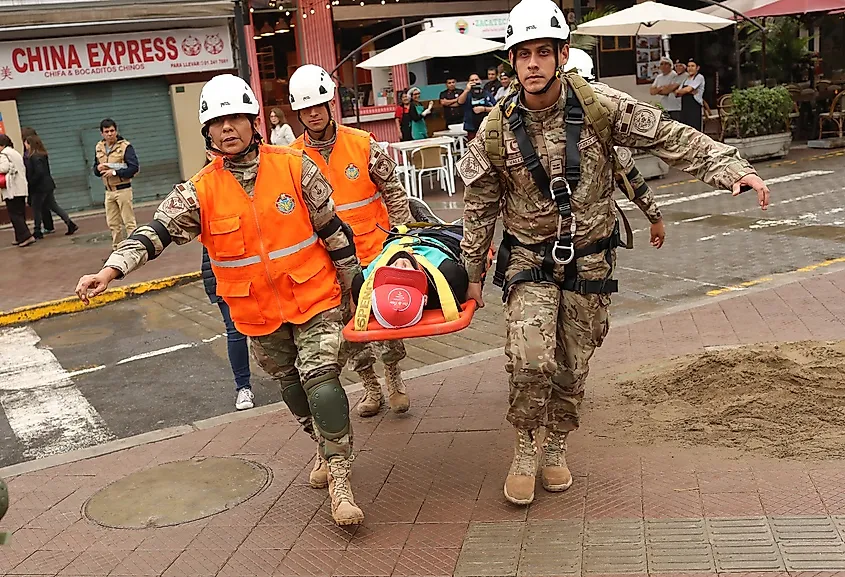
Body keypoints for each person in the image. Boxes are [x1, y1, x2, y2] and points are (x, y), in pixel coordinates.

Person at [458, 0, 770, 507]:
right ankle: (524, 445)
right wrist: (472, 270)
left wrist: (729, 168)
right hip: (528, 259)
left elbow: (668, 135)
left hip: (591, 258)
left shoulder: (600, 106)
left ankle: (557, 442)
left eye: (543, 52)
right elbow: (479, 203)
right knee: (531, 359)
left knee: (573, 365)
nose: (533, 63)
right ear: (511, 61)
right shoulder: (496, 128)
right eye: (523, 54)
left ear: (561, 55)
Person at [74, 74, 367, 527]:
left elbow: (334, 232)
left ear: (254, 122)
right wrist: (110, 270)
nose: (227, 128)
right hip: (258, 313)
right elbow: (155, 233)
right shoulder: (199, 190)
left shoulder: (293, 166)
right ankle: (322, 447)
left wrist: (354, 286)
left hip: (314, 299)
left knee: (322, 383)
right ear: (207, 132)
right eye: (217, 121)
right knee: (291, 390)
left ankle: (342, 480)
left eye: (235, 118)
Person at [288, 63, 414, 419]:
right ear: (298, 112)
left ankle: (394, 378)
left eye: (318, 105)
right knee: (350, 327)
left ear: (330, 105)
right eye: (306, 108)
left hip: (376, 253)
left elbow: (394, 191)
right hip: (330, 263)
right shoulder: (293, 159)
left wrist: (403, 239)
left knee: (388, 318)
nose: (313, 113)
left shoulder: (362, 143)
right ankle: (370, 385)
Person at [93, 119, 139, 250]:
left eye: (112, 131)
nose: (109, 134)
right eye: (106, 131)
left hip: (123, 189)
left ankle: (134, 247)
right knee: (113, 223)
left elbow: (134, 168)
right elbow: (94, 169)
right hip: (108, 191)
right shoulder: (99, 147)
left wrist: (114, 172)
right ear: (101, 133)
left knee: (129, 222)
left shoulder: (125, 147)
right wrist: (98, 169)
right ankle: (117, 249)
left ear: (116, 131)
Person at [23, 136, 78, 238]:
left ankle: (37, 231)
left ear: (30, 144)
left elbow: (39, 172)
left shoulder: (34, 157)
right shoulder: (42, 155)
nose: (25, 146)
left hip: (39, 188)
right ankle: (70, 223)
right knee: (53, 206)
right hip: (48, 185)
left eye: (26, 143)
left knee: (36, 208)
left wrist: (31, 182)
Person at [0, 135, 35, 247]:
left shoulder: (4, 154)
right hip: (21, 187)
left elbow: (4, 168)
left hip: (12, 189)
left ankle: (26, 236)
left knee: (14, 214)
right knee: (20, 213)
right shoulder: (15, 153)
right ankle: (19, 237)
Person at [457, 73, 496, 140]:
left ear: (480, 81)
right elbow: (460, 102)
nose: (475, 81)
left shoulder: (487, 93)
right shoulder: (467, 94)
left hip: (486, 126)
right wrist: (466, 90)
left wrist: (484, 109)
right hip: (472, 127)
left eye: (476, 79)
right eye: (472, 80)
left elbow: (495, 108)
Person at [676, 58, 705, 131]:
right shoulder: (686, 79)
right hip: (684, 108)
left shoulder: (699, 77)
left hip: (694, 108)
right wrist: (688, 91)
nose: (690, 68)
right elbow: (677, 93)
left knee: (695, 130)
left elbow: (688, 89)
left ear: (697, 68)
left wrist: (686, 90)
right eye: (688, 66)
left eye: (692, 66)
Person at [650, 56, 683, 121]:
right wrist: (661, 89)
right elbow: (652, 91)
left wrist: (659, 90)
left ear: (670, 65)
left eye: (666, 64)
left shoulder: (674, 75)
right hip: (663, 107)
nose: (663, 66)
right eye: (661, 64)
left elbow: (667, 91)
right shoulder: (659, 77)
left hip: (675, 107)